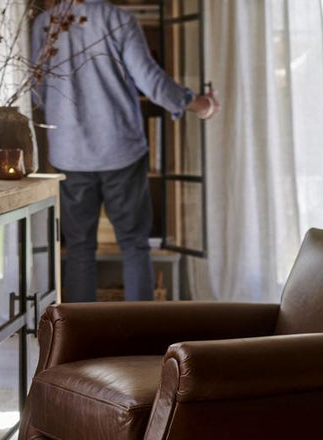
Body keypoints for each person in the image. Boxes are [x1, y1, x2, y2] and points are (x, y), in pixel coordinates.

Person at [31, 0, 219, 302]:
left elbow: (35, 91)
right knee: (134, 244)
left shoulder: (45, 23)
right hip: (120, 148)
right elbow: (151, 82)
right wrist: (201, 104)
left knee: (78, 248)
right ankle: (140, 338)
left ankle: (80, 341)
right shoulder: (118, 20)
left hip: (69, 153)